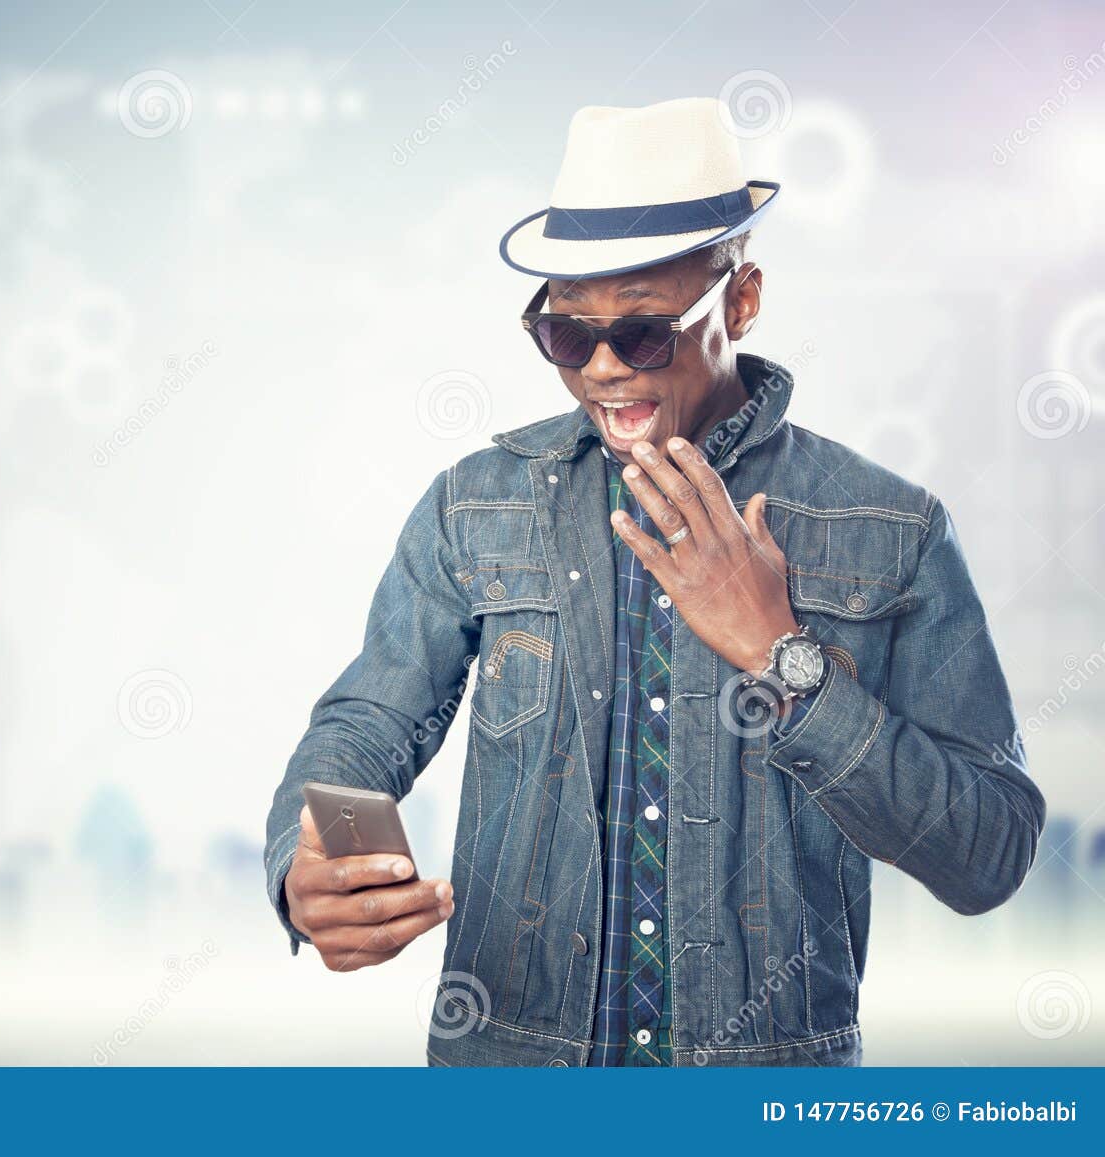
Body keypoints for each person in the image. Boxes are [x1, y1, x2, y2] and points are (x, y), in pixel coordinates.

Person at [263, 96, 1044, 1067]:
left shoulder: (890, 529)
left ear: (742, 298)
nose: (598, 371)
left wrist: (780, 654)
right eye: (563, 334)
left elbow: (990, 851)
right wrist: (331, 855)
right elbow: (369, 724)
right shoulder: (478, 504)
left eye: (640, 334)